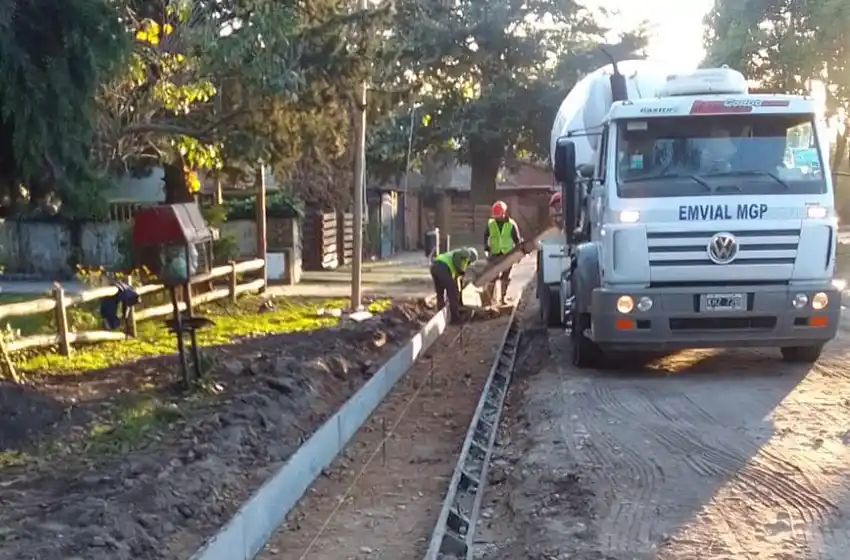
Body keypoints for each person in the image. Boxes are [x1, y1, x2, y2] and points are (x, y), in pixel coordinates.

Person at [483, 200, 521, 305]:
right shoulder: (490, 224)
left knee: (505, 277)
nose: (496, 217)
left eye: (498, 215)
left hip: (508, 254)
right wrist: (486, 249)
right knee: (492, 276)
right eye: (495, 215)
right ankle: (490, 300)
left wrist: (518, 254)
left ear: (504, 213)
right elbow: (485, 236)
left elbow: (517, 240)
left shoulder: (511, 224)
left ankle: (503, 298)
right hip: (494, 254)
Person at [430, 246, 478, 324]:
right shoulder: (463, 254)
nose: (468, 264)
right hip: (442, 267)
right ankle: (455, 318)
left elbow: (456, 275)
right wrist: (461, 273)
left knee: (440, 292)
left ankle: (441, 316)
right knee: (452, 292)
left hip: (434, 266)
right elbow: (458, 267)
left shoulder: (457, 254)